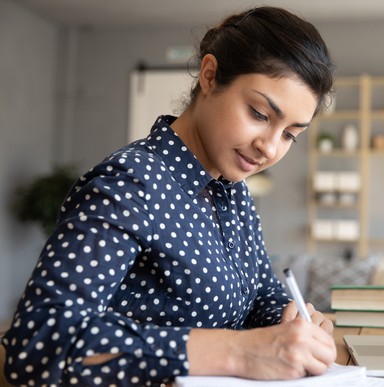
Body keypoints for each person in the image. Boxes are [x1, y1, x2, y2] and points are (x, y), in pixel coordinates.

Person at [1, 6, 336, 386]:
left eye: (290, 134)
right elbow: (38, 342)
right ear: (210, 76)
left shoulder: (234, 193)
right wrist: (237, 352)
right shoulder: (130, 183)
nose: (270, 148)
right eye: (260, 114)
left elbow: (261, 295)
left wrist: (293, 324)